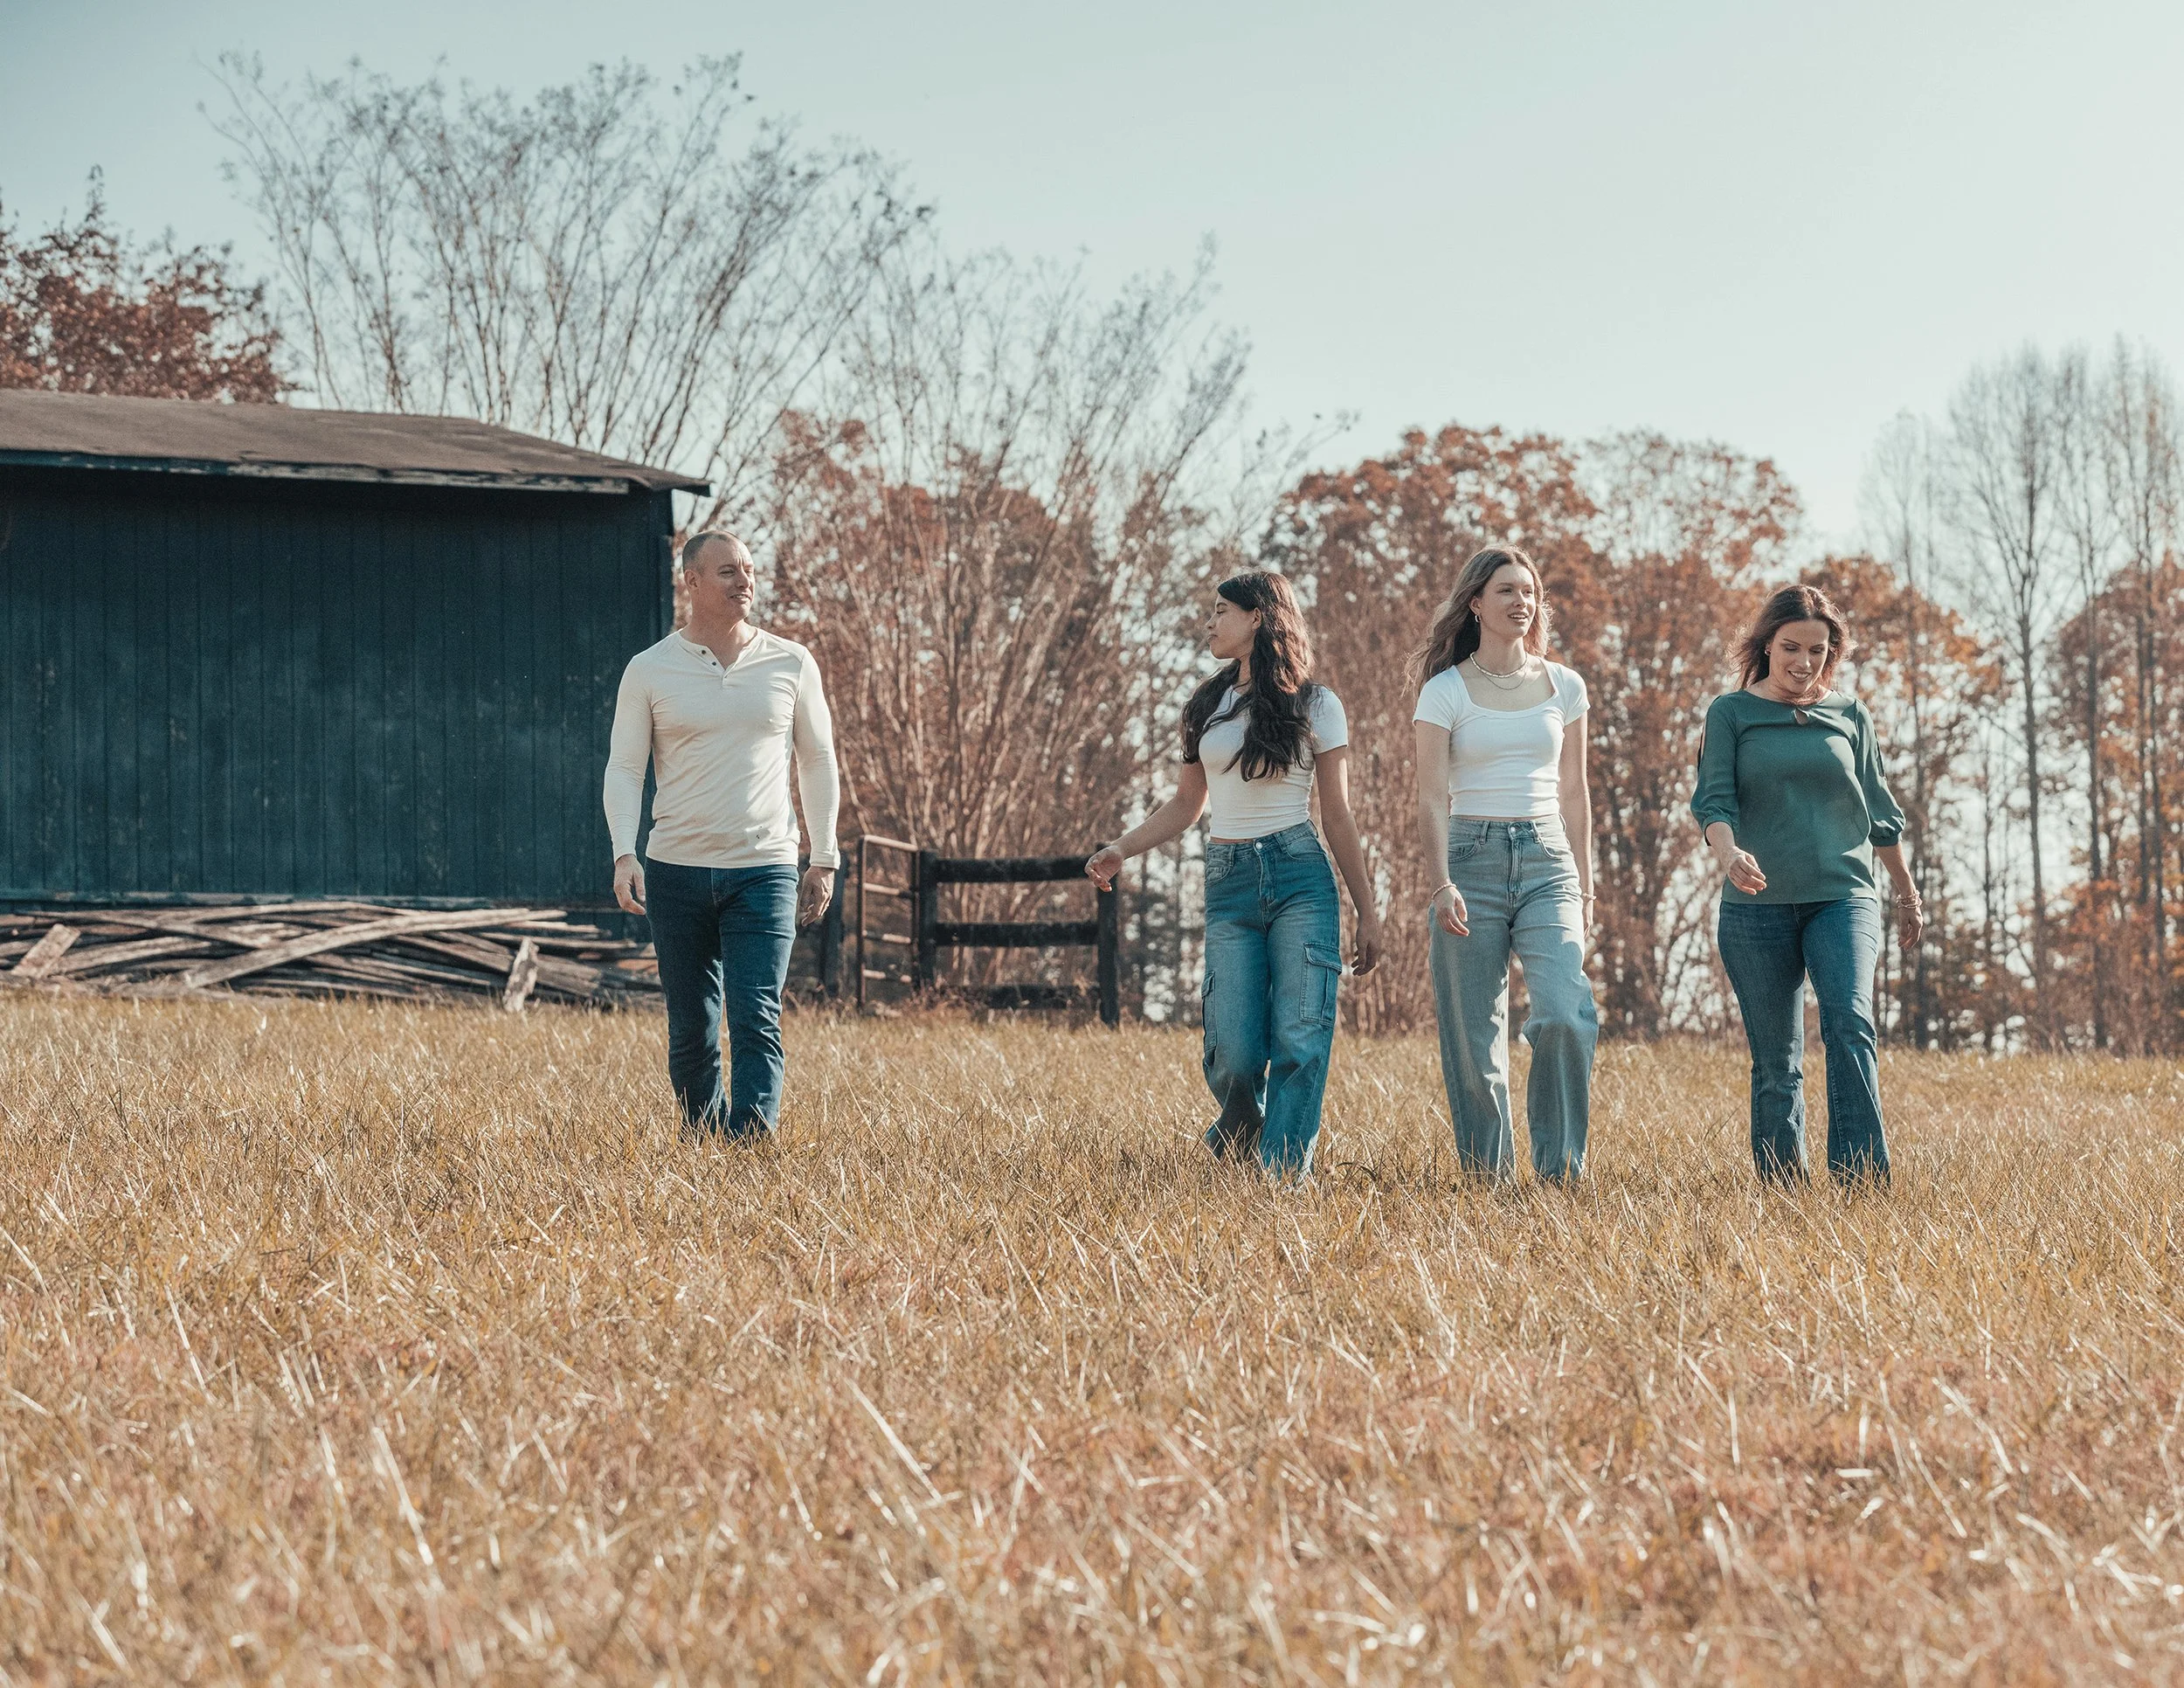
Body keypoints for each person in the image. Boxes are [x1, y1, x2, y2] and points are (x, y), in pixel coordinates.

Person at [1085, 571, 1382, 1177]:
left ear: (1258, 617)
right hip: (1229, 878)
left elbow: (1339, 816)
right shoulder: (1205, 706)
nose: (1209, 623)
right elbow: (1185, 805)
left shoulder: (1318, 705)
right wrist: (1121, 846)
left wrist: (1368, 909)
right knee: (1234, 1055)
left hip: (1301, 875)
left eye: (1221, 611)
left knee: (1301, 1039)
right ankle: (1240, 1137)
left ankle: (1279, 1178)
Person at [604, 530, 840, 1140]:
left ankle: (751, 1146)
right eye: (729, 571)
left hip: (764, 868)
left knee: (756, 1016)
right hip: (676, 869)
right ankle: (702, 1139)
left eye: (750, 570)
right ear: (692, 581)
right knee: (691, 1028)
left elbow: (818, 760)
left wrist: (824, 857)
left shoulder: (791, 661)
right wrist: (624, 852)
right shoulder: (649, 669)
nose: (746, 581)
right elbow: (626, 768)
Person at [1690, 583, 1922, 1186]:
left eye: (1817, 651)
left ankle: (1861, 1184)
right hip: (1755, 907)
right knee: (1776, 1064)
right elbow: (1713, 802)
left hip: (1842, 897)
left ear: (1831, 654)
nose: (1803, 662)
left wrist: (1905, 891)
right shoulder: (1731, 713)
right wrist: (1728, 852)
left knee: (1849, 1022)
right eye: (1791, 647)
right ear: (1766, 644)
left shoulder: (1850, 715)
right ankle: (1783, 1192)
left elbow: (1880, 810)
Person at [1411, 545, 1598, 1182]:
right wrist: (1440, 882)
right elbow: (1431, 795)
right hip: (1470, 860)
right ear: (1476, 604)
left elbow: (1575, 793)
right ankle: (1487, 1179)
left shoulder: (1564, 685)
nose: (1524, 602)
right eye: (1507, 591)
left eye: (1530, 591)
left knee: (1565, 1013)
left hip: (1550, 860)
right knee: (1472, 1037)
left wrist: (1587, 890)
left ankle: (1559, 1176)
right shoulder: (1445, 691)